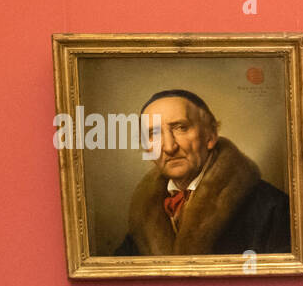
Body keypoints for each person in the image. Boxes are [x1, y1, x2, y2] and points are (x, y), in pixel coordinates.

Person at [113, 90, 291, 256]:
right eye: (153, 133)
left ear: (211, 135)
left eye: (181, 128)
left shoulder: (272, 208)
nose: (169, 147)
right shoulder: (144, 215)